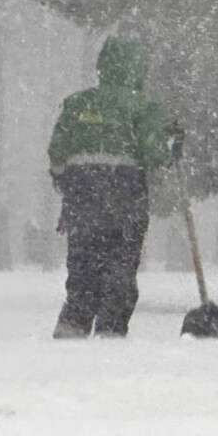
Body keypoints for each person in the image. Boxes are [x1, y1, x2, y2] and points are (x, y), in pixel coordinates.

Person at [47, 36, 173, 338]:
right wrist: (172, 144)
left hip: (81, 196)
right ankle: (111, 332)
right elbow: (155, 154)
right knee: (121, 264)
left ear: (103, 66)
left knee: (82, 265)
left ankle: (72, 326)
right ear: (138, 68)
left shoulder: (77, 103)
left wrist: (66, 180)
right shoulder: (143, 107)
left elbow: (57, 152)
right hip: (125, 195)